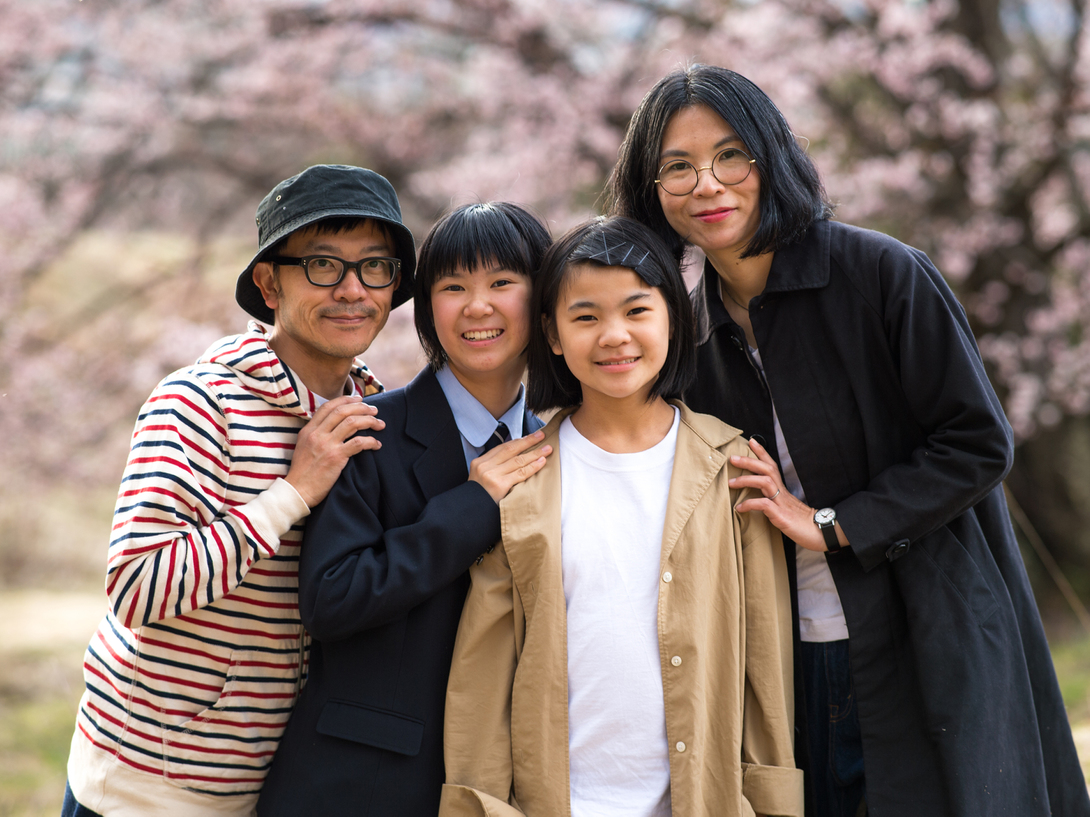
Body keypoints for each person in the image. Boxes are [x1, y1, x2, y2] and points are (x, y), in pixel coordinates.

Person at [605, 64, 1090, 817]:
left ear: (771, 155)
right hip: (789, 662)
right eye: (677, 166)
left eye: (731, 154)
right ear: (651, 190)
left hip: (927, 638)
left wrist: (832, 525)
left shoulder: (880, 273)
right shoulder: (685, 333)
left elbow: (977, 442)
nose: (708, 184)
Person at [62, 164, 416, 817]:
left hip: (269, 787)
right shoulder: (197, 403)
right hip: (143, 788)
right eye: (321, 265)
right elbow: (136, 585)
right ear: (268, 282)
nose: (351, 289)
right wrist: (291, 492)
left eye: (375, 267)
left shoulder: (372, 414)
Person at [440, 215, 802, 817]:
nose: (614, 336)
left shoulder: (730, 464)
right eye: (585, 317)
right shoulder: (521, 478)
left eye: (637, 311)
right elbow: (484, 668)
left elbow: (765, 659)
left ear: (673, 321)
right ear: (552, 335)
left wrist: (770, 799)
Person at [255, 202, 554, 816]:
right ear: (424, 307)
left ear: (542, 299)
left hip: (505, 784)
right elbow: (330, 598)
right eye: (453, 287)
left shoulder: (559, 449)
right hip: (361, 785)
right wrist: (472, 505)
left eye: (502, 282)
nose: (478, 307)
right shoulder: (367, 431)